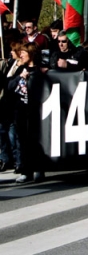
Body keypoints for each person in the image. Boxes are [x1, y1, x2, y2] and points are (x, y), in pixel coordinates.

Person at [9, 43, 42, 184]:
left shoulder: (40, 72)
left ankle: (39, 168)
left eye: (23, 52)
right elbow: (9, 86)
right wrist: (20, 78)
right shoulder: (21, 70)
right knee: (22, 142)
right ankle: (25, 170)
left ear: (31, 54)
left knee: (36, 141)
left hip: (35, 112)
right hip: (21, 112)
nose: (20, 55)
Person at [0, 41, 23, 173]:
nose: (11, 53)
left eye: (13, 51)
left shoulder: (21, 67)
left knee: (13, 134)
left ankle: (16, 160)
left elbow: (12, 84)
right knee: (2, 133)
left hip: (14, 104)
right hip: (5, 103)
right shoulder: (10, 64)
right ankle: (5, 159)